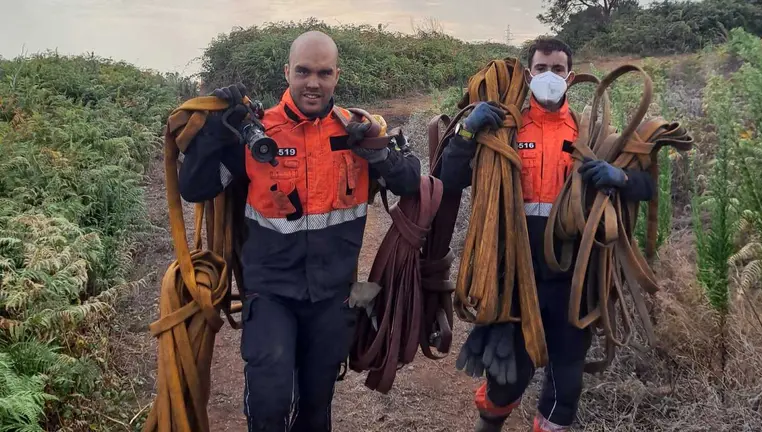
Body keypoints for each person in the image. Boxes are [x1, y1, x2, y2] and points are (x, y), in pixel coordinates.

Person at [176, 30, 421, 431]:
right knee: (270, 401)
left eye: (324, 73)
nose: (313, 82)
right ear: (287, 72)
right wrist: (217, 131)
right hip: (271, 292)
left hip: (332, 297)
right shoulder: (258, 137)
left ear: (336, 76)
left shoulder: (356, 131)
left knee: (315, 409)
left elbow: (412, 181)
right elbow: (196, 188)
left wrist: (378, 154)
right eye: (304, 71)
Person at [440, 37, 655, 432]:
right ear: (528, 74)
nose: (549, 76)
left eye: (558, 69)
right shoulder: (504, 128)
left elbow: (647, 186)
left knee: (566, 385)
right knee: (506, 380)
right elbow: (448, 180)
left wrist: (620, 177)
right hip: (513, 279)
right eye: (541, 69)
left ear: (570, 77)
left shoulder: (592, 134)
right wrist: (468, 134)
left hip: (573, 280)